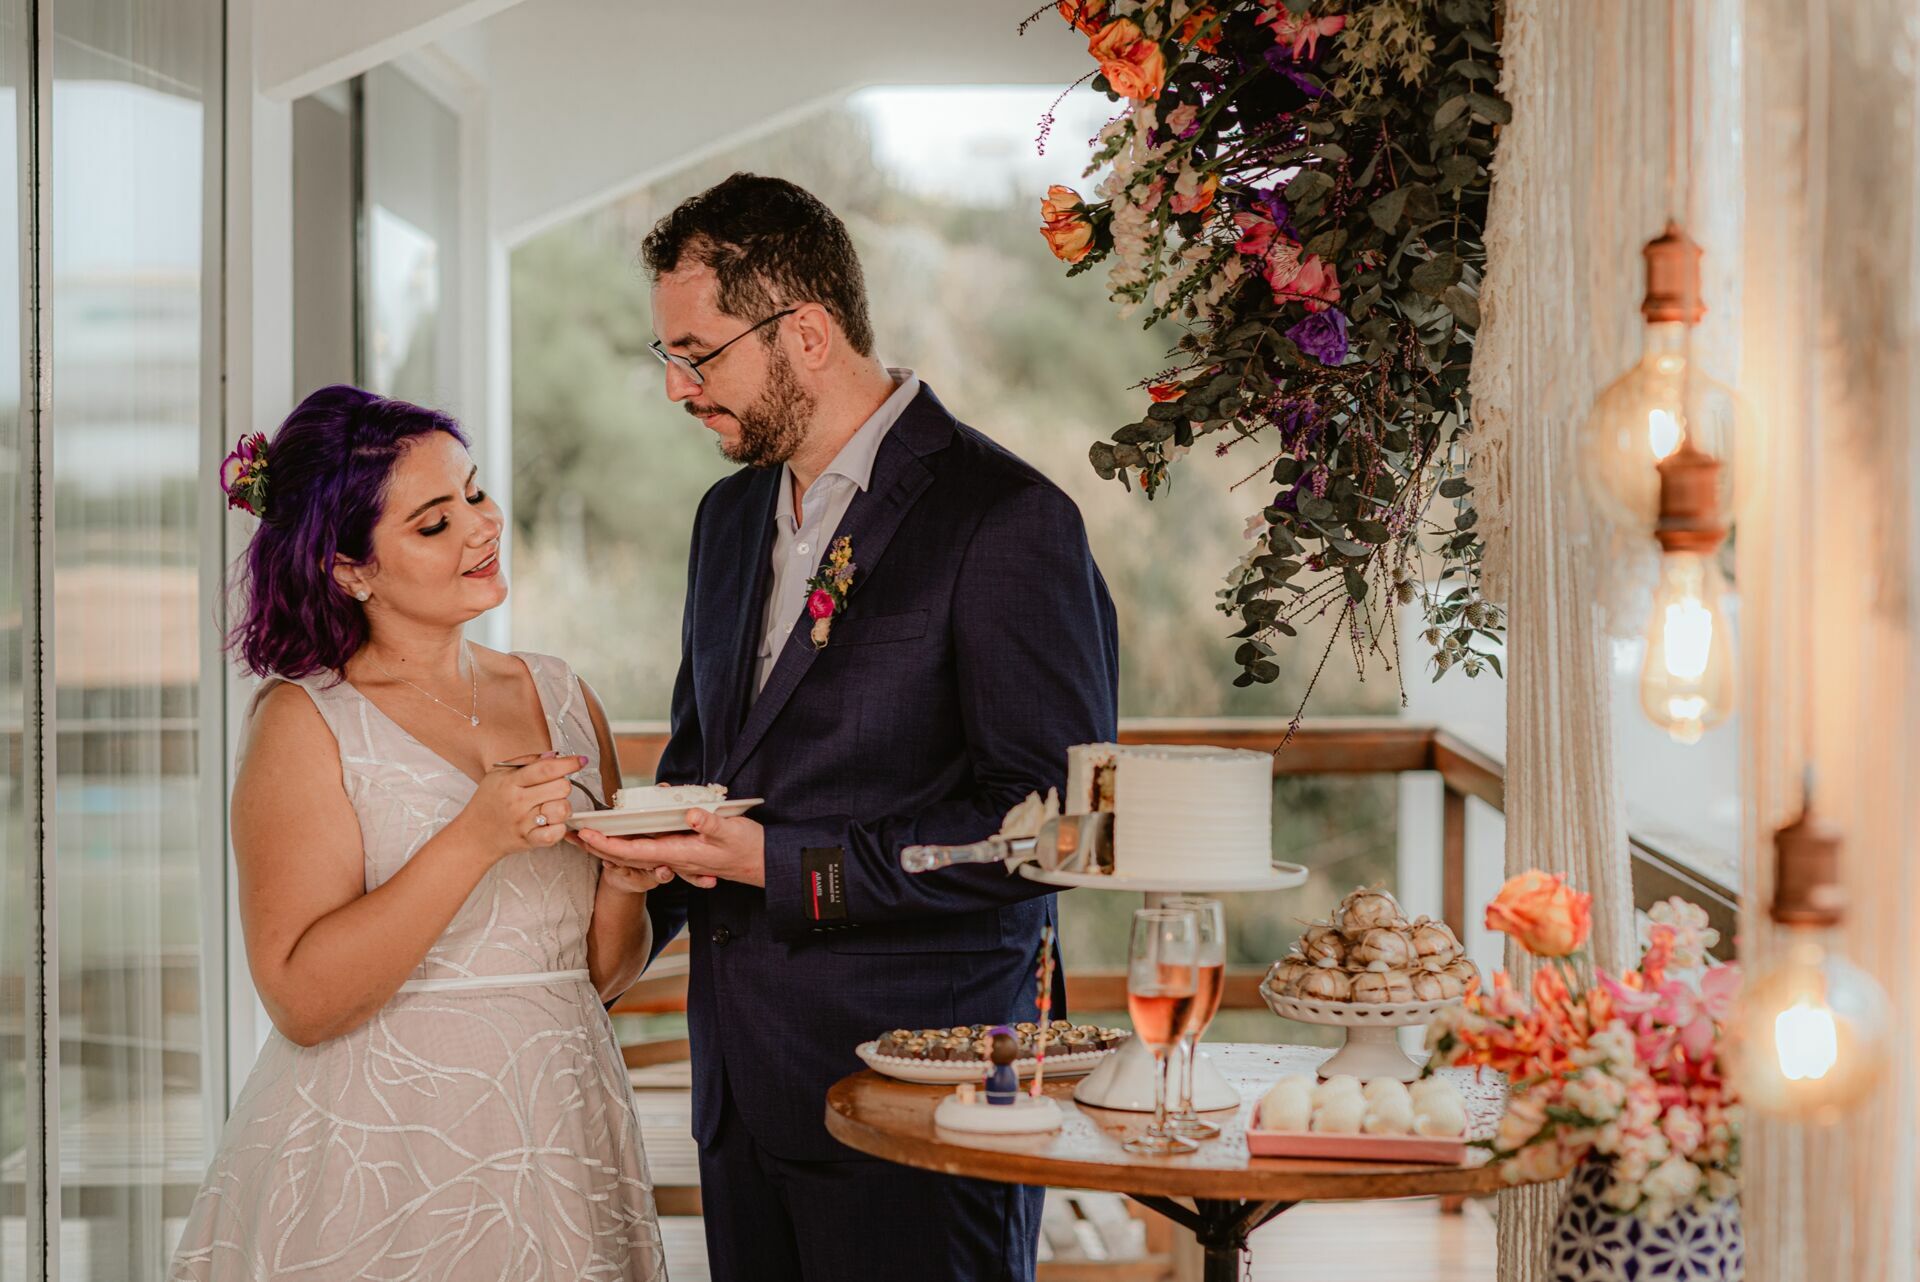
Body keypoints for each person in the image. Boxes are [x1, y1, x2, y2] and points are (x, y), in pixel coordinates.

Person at [573, 173, 1119, 1282]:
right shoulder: (726, 521)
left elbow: (1053, 830)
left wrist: (780, 863)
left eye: (698, 354)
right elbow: (706, 770)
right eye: (667, 357)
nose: (679, 389)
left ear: (806, 333)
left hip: (923, 1091)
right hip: (738, 1095)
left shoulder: (1008, 520)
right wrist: (631, 868)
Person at [169, 385, 666, 1280]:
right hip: (389, 1147)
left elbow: (596, 974)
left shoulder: (560, 694)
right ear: (348, 567)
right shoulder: (304, 721)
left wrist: (628, 881)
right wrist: (473, 838)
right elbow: (302, 1001)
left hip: (562, 1125)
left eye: (474, 494)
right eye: (434, 524)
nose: (483, 526)